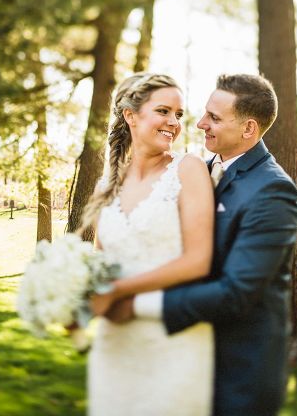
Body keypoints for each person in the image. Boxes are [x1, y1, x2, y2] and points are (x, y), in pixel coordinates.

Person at [104, 74, 297, 416]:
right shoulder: (194, 169)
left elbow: (237, 292)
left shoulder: (272, 191)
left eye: (214, 118)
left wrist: (136, 306)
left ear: (248, 129)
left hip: (238, 370)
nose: (200, 123)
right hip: (173, 351)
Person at [81, 73, 216, 416]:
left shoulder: (189, 169)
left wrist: (119, 291)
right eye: (163, 111)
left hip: (173, 341)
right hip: (115, 344)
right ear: (131, 115)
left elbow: (198, 261)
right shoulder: (104, 187)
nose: (173, 122)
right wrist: (78, 302)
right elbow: (101, 264)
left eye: (178, 115)